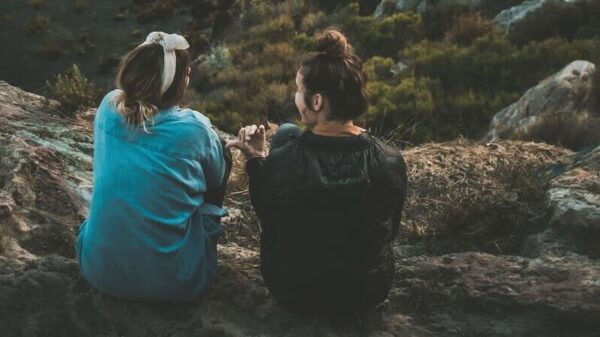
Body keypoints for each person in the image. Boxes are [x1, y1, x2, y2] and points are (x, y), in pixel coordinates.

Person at [227, 27, 408, 316]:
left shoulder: (284, 161)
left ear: (316, 101)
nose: (295, 96)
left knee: (287, 134)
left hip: (295, 291)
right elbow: (390, 230)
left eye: (299, 90)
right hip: (367, 292)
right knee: (288, 131)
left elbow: (268, 214)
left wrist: (257, 158)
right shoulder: (389, 160)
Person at [76, 32, 231, 302]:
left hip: (97, 269)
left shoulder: (108, 105)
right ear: (178, 84)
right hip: (174, 283)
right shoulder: (194, 129)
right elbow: (214, 178)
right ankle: (203, 239)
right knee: (221, 160)